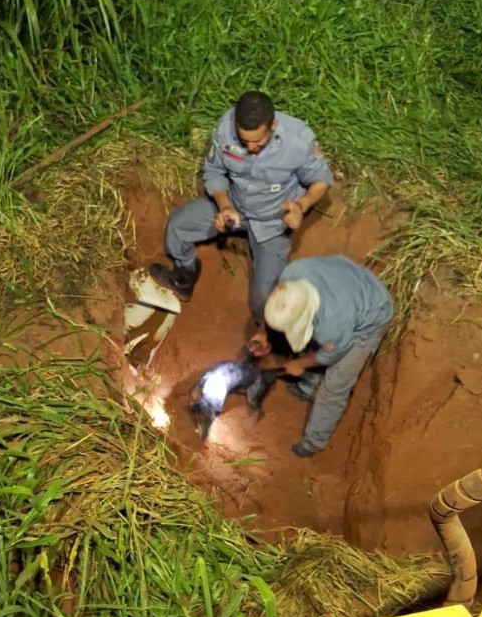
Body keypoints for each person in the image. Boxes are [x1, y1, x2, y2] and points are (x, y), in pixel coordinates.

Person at [149, 90, 334, 324]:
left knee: (266, 302)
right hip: (235, 207)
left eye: (258, 142)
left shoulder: (297, 140)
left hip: (272, 221)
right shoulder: (225, 128)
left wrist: (301, 205)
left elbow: (321, 180)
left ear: (273, 125)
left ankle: (264, 334)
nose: (251, 147)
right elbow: (214, 171)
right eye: (244, 141)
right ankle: (184, 276)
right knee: (178, 226)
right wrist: (224, 205)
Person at [252, 255, 392, 458]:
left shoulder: (333, 323)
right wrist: (263, 333)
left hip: (372, 314)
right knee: (311, 343)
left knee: (335, 385)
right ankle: (308, 389)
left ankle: (313, 442)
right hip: (348, 281)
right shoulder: (291, 275)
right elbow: (276, 300)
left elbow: (332, 354)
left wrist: (300, 364)